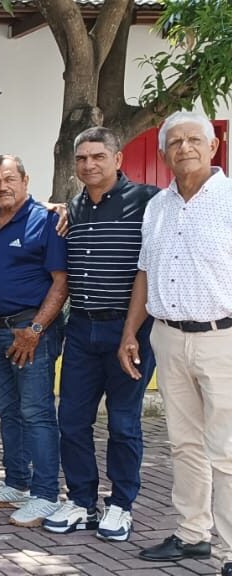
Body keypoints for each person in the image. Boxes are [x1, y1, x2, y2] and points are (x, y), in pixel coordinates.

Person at [120, 111, 232, 575]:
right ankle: (192, 534)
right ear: (164, 153)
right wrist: (131, 331)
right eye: (175, 142)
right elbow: (145, 271)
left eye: (193, 140)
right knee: (184, 444)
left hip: (222, 339)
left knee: (227, 449)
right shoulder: (158, 206)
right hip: (167, 336)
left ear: (212, 146)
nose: (184, 147)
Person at [42, 127, 159, 540]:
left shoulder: (148, 201)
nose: (89, 164)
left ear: (118, 159)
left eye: (98, 156)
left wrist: (132, 331)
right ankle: (82, 502)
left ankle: (121, 505)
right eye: (82, 158)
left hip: (130, 331)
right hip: (81, 328)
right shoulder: (74, 208)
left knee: (123, 423)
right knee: (71, 420)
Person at [0, 155, 68, 527]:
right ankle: (16, 483)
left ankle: (45, 495)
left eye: (9, 179)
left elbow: (61, 282)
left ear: (25, 180)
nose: (2, 187)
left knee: (36, 412)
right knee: (7, 409)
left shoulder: (45, 221)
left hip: (30, 332)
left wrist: (36, 330)